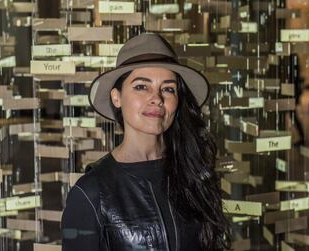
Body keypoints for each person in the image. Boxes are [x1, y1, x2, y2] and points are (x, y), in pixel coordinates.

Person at [61, 33, 231, 251]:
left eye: (168, 88)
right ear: (117, 97)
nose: (157, 98)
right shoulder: (91, 193)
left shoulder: (195, 173)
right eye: (142, 86)